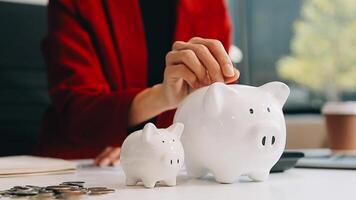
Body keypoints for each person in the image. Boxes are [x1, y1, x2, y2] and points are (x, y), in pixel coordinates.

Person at [35, 0, 240, 166]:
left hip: (176, 159)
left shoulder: (210, 5)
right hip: (89, 160)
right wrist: (136, 141)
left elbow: (214, 103)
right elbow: (77, 110)